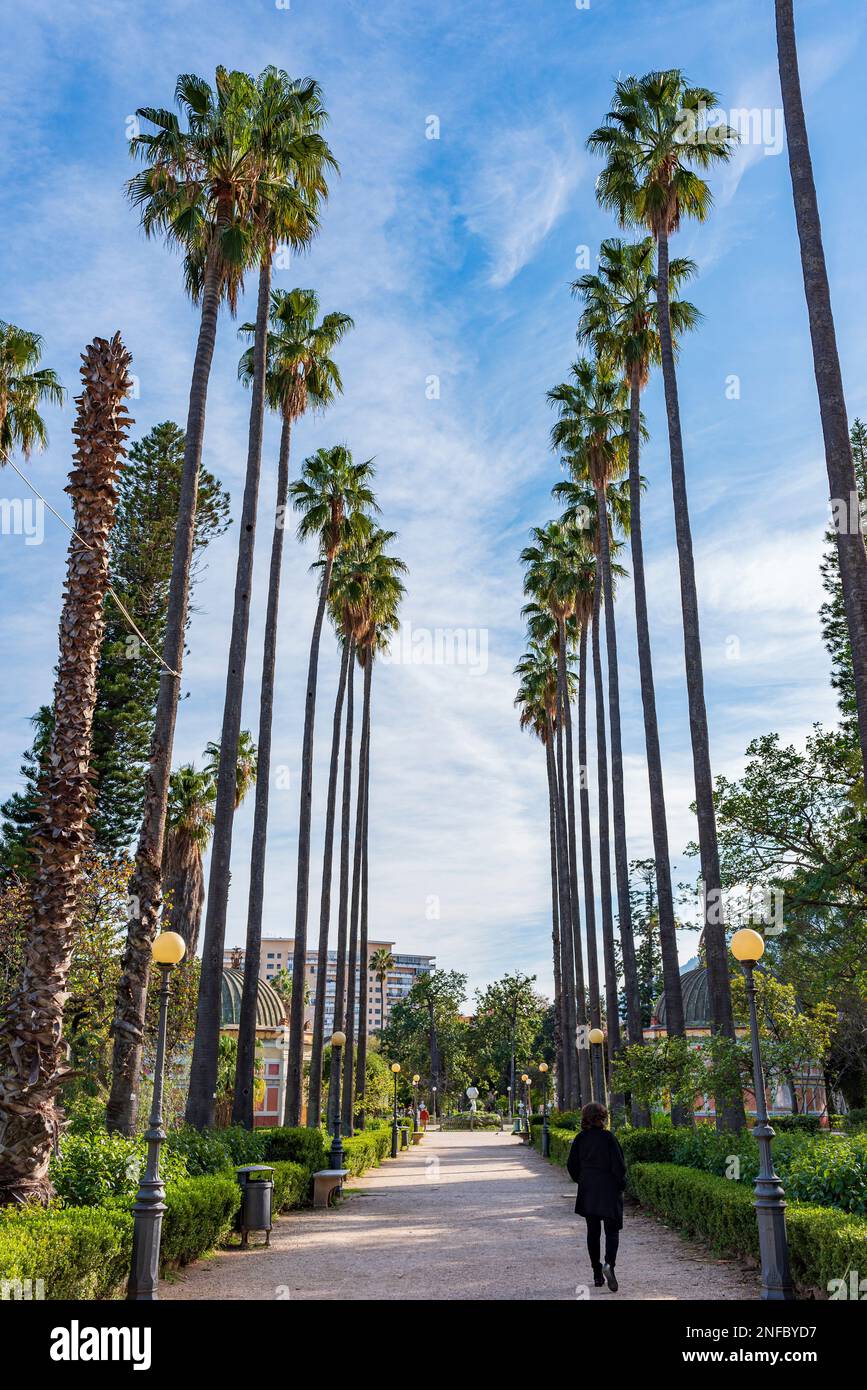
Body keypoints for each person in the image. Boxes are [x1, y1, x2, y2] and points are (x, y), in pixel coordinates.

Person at [566, 1101, 626, 1292]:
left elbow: (571, 1165)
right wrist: (621, 1185)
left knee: (593, 1232)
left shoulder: (580, 1138)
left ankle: (596, 1273)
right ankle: (609, 1264)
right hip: (608, 1188)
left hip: (589, 1189)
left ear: (585, 1118)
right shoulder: (609, 1138)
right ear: (603, 1117)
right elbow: (619, 1166)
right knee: (612, 1231)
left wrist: (582, 1180)